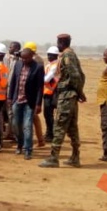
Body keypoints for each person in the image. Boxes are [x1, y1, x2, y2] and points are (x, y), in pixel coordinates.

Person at [40, 34, 86, 168]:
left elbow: (76, 76)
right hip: (70, 95)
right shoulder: (71, 55)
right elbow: (81, 75)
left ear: (62, 42)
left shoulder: (67, 56)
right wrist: (79, 92)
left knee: (59, 126)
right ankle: (75, 157)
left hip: (66, 95)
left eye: (58, 42)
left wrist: (79, 92)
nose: (57, 45)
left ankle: (54, 158)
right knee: (72, 127)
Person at [8, 45, 44, 160]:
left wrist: (38, 104)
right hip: (17, 100)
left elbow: (40, 88)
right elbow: (13, 81)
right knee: (16, 125)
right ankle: (20, 144)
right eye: (22, 58)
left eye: (26, 58)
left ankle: (28, 149)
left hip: (29, 102)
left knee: (27, 126)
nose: (24, 60)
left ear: (32, 56)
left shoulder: (37, 68)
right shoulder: (18, 65)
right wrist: (10, 97)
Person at [24, 42, 47, 148]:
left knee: (31, 119)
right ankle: (40, 139)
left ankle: (38, 140)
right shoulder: (39, 60)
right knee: (34, 118)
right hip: (32, 95)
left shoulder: (36, 61)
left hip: (31, 95)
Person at [43, 46, 60, 141]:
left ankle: (51, 134)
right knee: (48, 114)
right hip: (47, 92)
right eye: (48, 54)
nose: (49, 56)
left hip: (53, 92)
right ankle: (50, 132)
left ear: (56, 55)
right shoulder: (49, 65)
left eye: (51, 55)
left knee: (49, 114)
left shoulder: (55, 66)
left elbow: (46, 79)